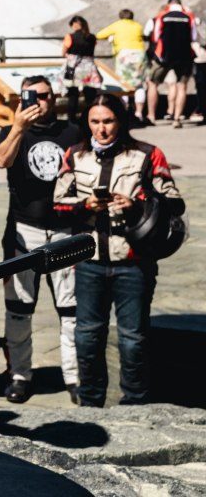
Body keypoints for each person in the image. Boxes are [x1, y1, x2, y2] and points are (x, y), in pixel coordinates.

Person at [53, 95, 186, 406]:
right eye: (95, 122)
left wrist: (137, 204)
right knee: (87, 335)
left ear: (121, 122)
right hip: (89, 262)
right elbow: (57, 206)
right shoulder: (74, 155)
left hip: (134, 261)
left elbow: (174, 202)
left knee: (133, 338)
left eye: (108, 121)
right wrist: (86, 205)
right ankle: (90, 402)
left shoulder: (148, 154)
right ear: (87, 123)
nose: (101, 129)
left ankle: (135, 403)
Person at [0, 74, 85, 403]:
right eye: (32, 96)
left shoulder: (73, 131)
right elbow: (1, 160)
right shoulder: (12, 131)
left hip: (65, 230)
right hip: (24, 229)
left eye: (45, 95)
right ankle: (20, 374)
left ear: (55, 97)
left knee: (71, 309)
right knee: (19, 308)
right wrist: (18, 127)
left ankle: (74, 376)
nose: (40, 102)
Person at [146, 0, 199, 126]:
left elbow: (155, 36)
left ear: (168, 5)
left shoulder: (162, 16)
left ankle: (151, 116)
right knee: (181, 86)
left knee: (152, 83)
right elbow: (194, 37)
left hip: (164, 56)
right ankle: (177, 118)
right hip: (184, 56)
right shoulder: (189, 17)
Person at [96, 9, 150, 123]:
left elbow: (99, 35)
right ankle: (139, 113)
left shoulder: (117, 25)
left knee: (123, 85)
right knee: (139, 85)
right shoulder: (137, 25)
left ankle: (123, 111)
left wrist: (112, 37)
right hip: (139, 55)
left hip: (124, 54)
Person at [62, 15, 104, 113]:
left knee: (73, 95)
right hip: (89, 68)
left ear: (74, 25)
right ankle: (90, 115)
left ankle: (72, 118)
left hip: (73, 68)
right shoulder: (92, 37)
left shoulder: (70, 37)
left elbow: (63, 53)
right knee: (90, 94)